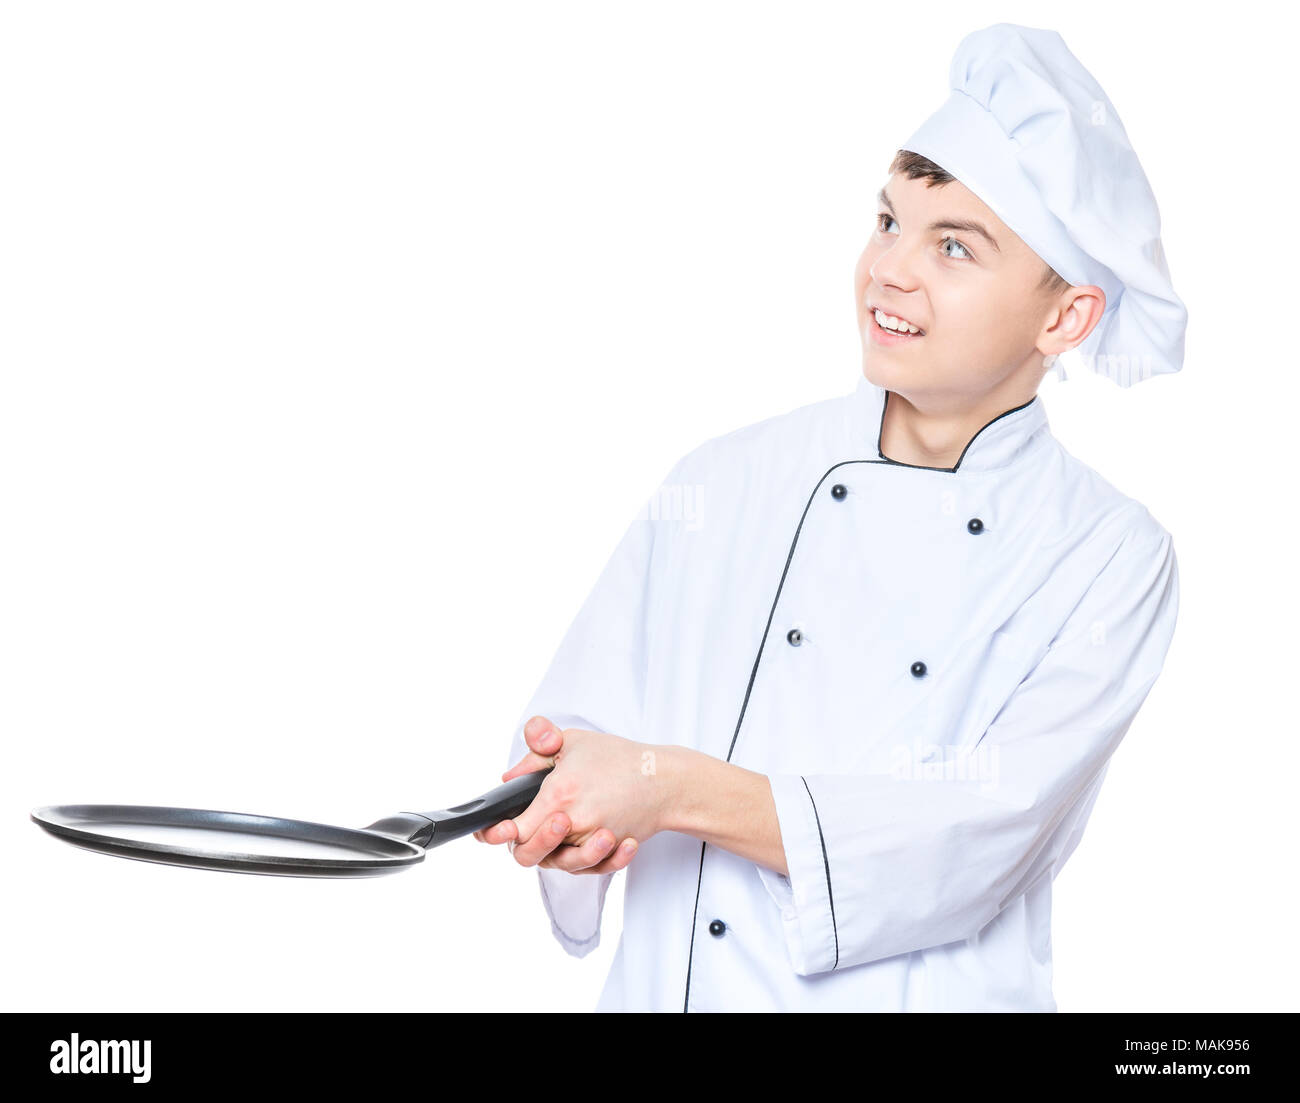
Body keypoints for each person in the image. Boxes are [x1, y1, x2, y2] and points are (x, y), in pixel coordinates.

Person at [474, 23, 1186, 1011]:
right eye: (888, 221)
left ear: (1063, 318)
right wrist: (576, 818)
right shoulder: (724, 479)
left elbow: (969, 837)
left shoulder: (1107, 555)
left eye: (952, 246)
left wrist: (665, 783)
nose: (889, 270)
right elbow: (582, 721)